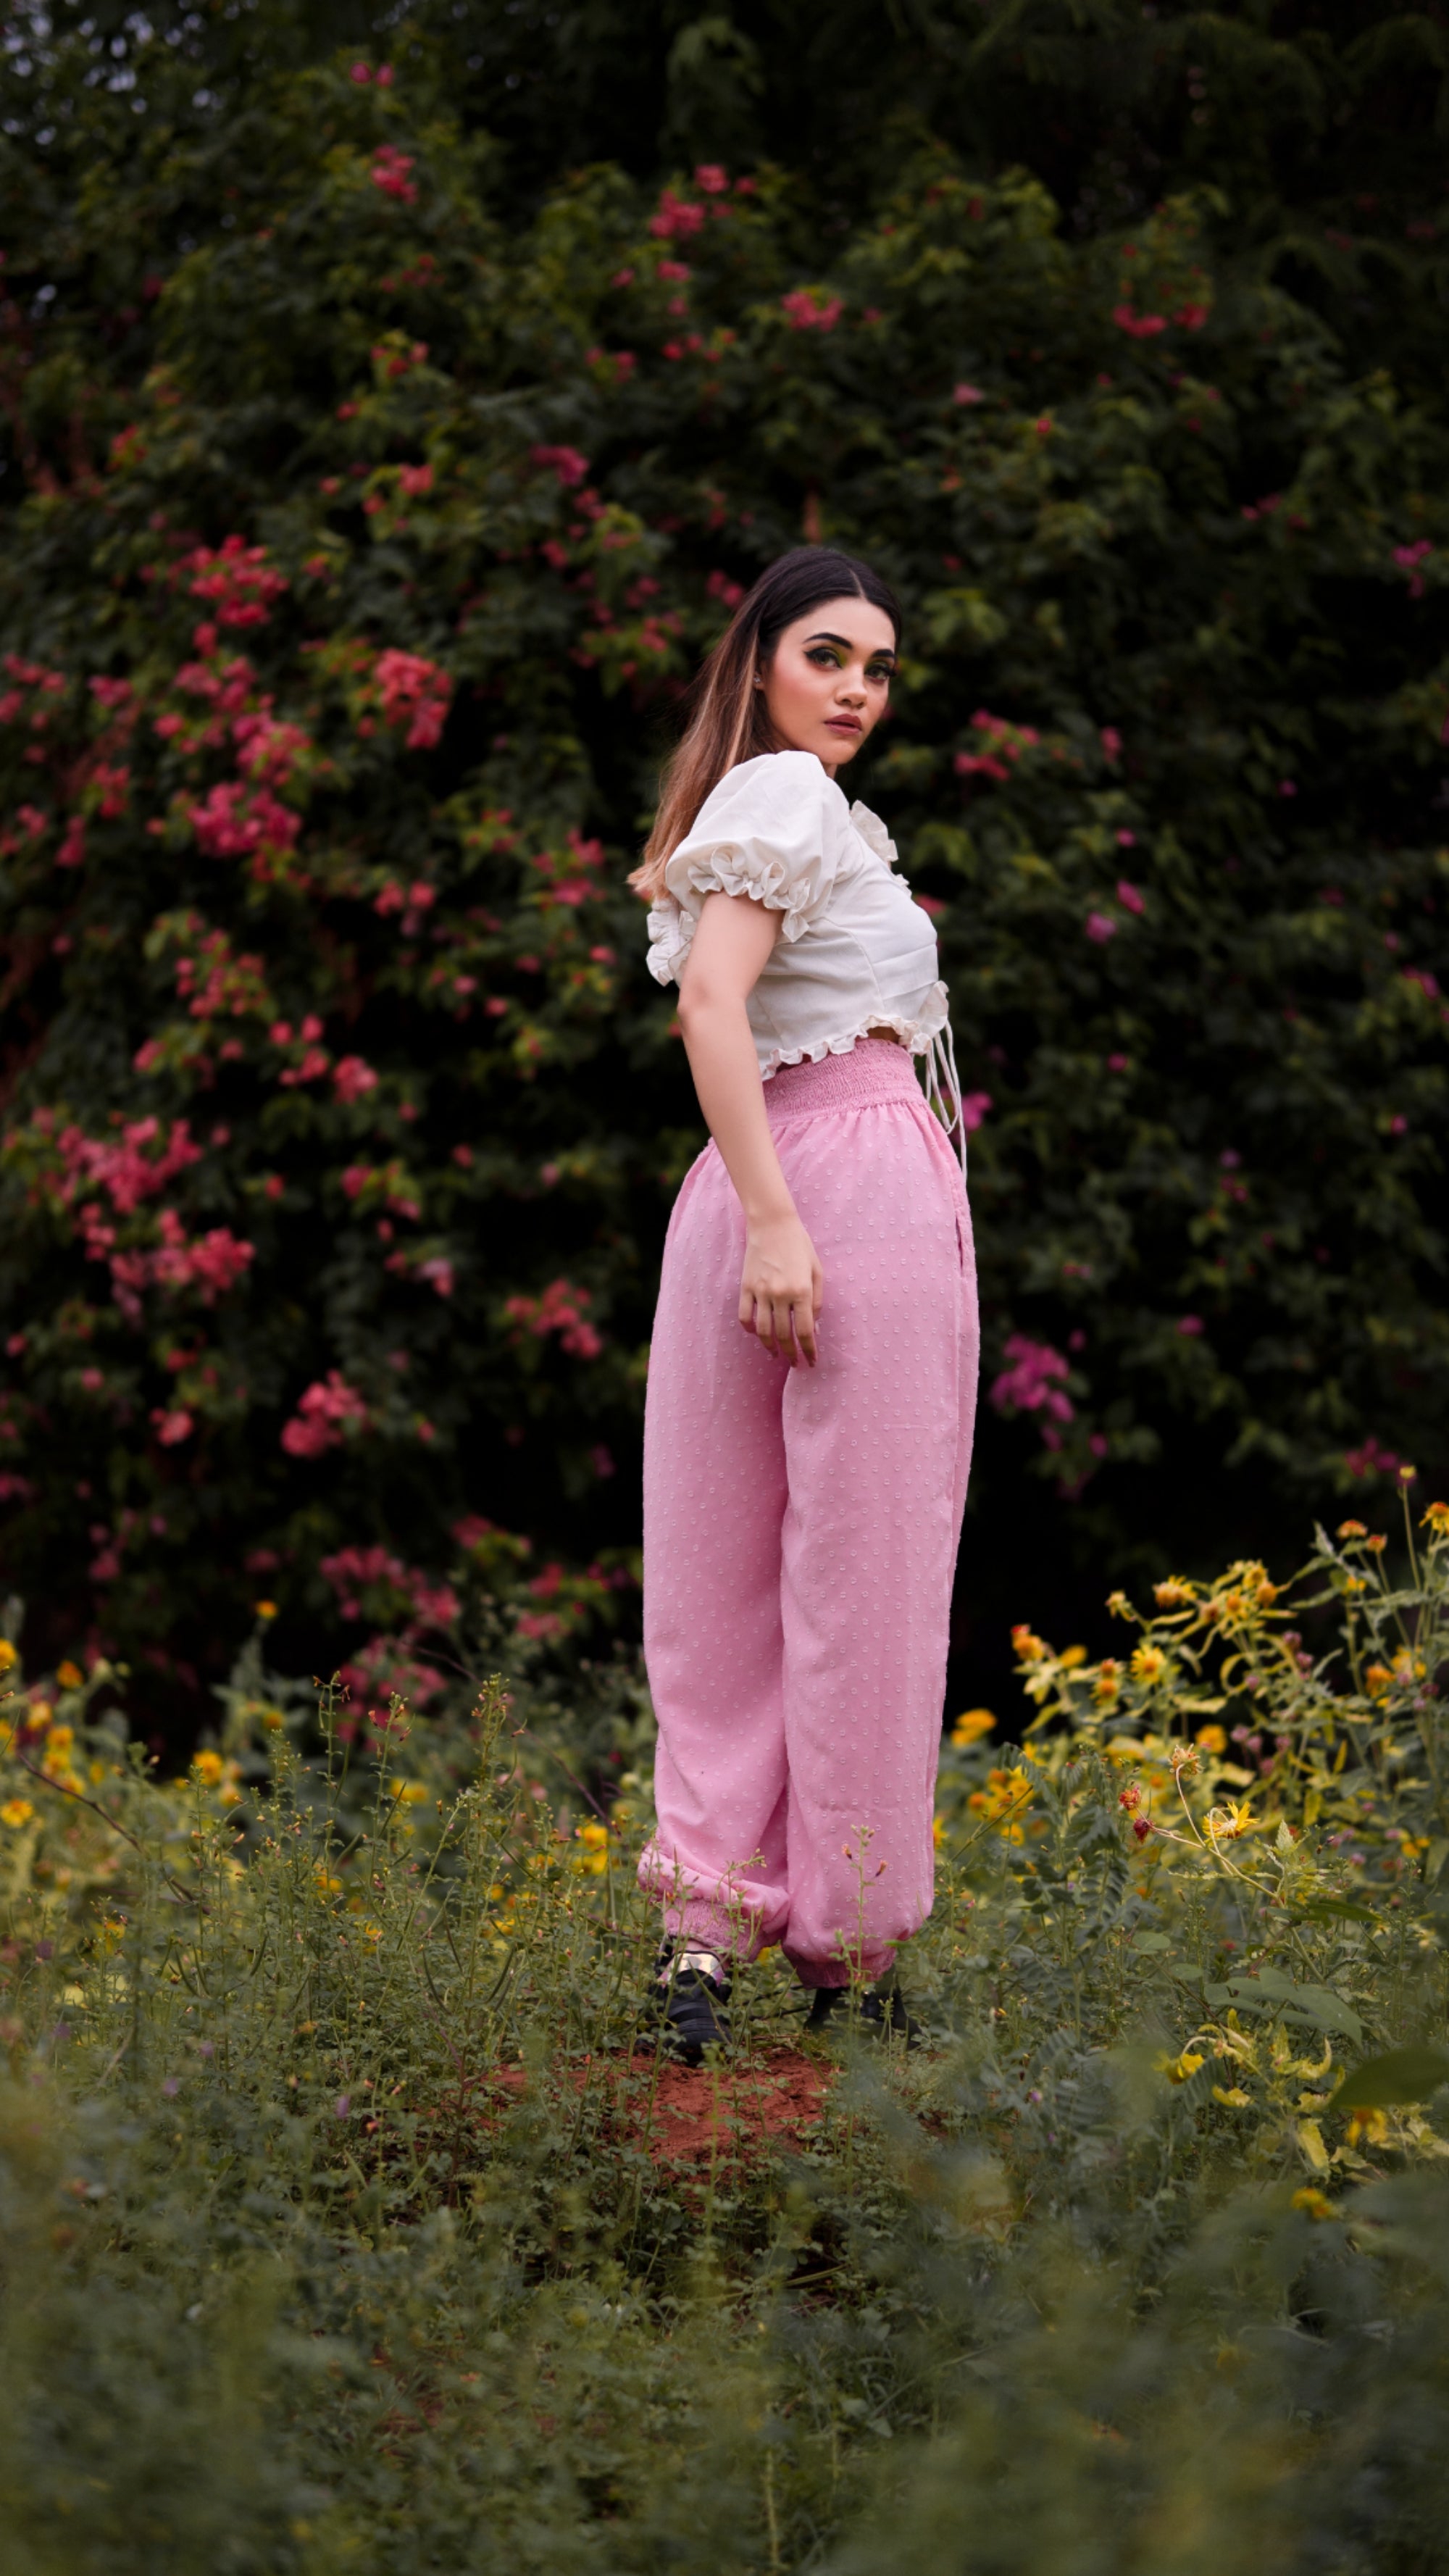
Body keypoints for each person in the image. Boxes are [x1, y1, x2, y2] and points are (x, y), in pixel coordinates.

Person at [631, 548, 979, 2061]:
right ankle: (851, 1949)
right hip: (827, 1191)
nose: (856, 689)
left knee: (713, 1565)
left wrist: (763, 1208)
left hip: (749, 1182)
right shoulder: (786, 795)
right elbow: (709, 1003)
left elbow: (725, 1007)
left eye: (877, 667)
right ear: (761, 659)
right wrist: (784, 1224)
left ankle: (701, 1940)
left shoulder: (770, 807)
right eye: (827, 655)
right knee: (865, 1569)